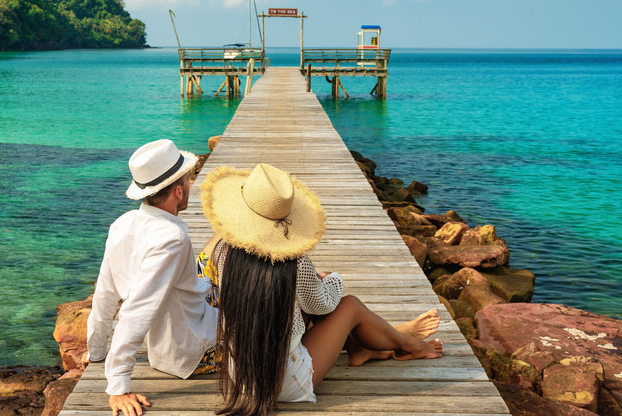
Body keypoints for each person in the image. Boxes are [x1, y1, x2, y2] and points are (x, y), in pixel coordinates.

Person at [199, 163, 444, 415]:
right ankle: (410, 346)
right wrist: (330, 279)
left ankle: (361, 348)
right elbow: (323, 305)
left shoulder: (223, 252)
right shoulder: (295, 264)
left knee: (300, 299)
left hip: (239, 373)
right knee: (350, 305)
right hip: (283, 383)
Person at [85, 139, 219, 416]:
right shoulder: (173, 239)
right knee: (270, 303)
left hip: (173, 332)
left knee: (216, 252)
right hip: (192, 352)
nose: (191, 184)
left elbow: (105, 294)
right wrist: (118, 386)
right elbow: (137, 310)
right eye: (188, 179)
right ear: (178, 191)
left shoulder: (122, 223)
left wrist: (96, 350)